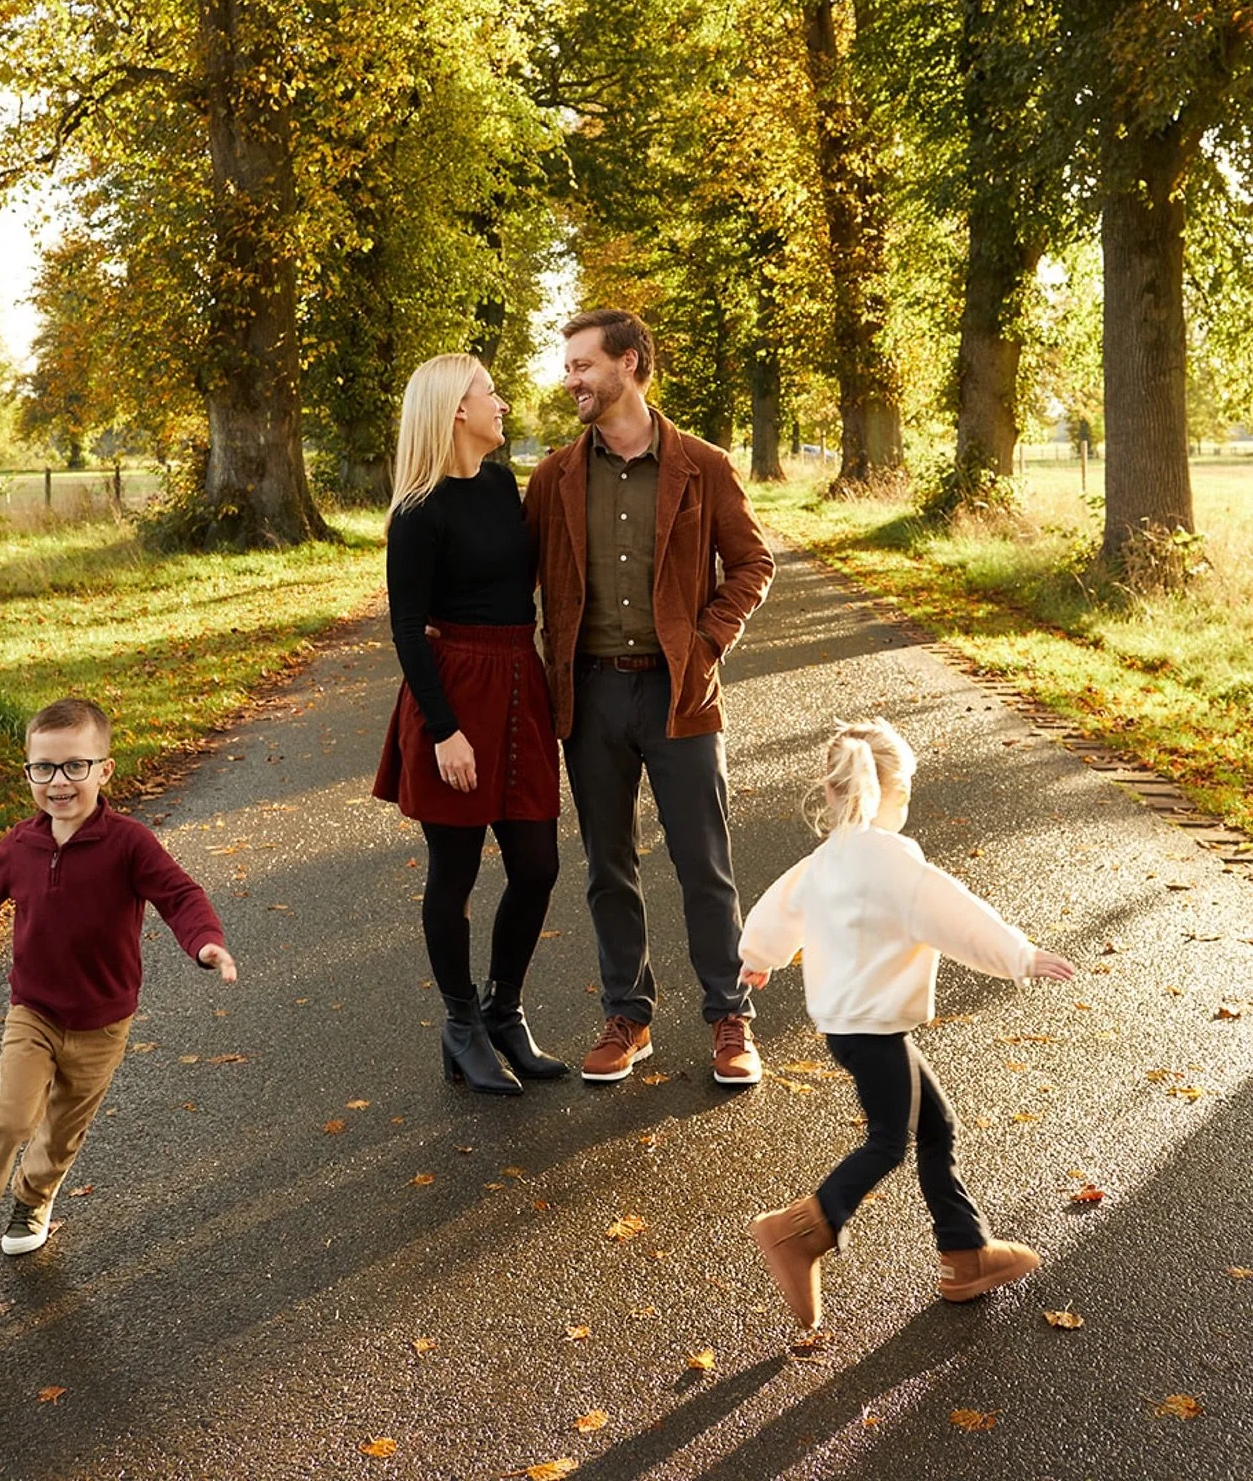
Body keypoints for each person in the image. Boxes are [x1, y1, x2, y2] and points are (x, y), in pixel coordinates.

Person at [0, 697, 237, 1297]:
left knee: (62, 1130)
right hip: (33, 1012)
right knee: (9, 1119)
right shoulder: (22, 847)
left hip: (102, 1021)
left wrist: (205, 943)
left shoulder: (129, 844)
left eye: (74, 767)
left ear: (105, 770)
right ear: (29, 772)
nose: (58, 782)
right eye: (44, 768)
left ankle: (33, 1201)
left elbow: (180, 896)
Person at [737, 718, 1075, 1329]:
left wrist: (758, 958)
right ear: (890, 792)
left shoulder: (826, 859)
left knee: (934, 1124)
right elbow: (959, 916)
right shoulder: (895, 862)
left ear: (836, 789)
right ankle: (799, 1231)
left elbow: (777, 910)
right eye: (910, 789)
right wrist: (1021, 956)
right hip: (875, 1029)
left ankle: (965, 1254)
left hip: (846, 1027)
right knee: (891, 1140)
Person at [523, 308, 775, 1086]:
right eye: (567, 367)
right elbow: (515, 578)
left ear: (629, 364)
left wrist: (705, 645)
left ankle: (729, 1017)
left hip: (682, 695)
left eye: (582, 365)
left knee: (704, 862)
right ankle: (627, 1018)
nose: (570, 380)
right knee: (607, 863)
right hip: (589, 693)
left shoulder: (702, 464)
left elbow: (751, 563)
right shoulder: (554, 475)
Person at [373, 353, 564, 1095]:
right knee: (454, 872)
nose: (503, 402)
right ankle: (461, 1024)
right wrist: (445, 730)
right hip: (455, 696)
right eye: (491, 392)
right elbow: (405, 627)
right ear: (457, 408)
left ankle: (503, 1011)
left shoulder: (498, 480)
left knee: (538, 866)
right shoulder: (418, 511)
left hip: (520, 683)